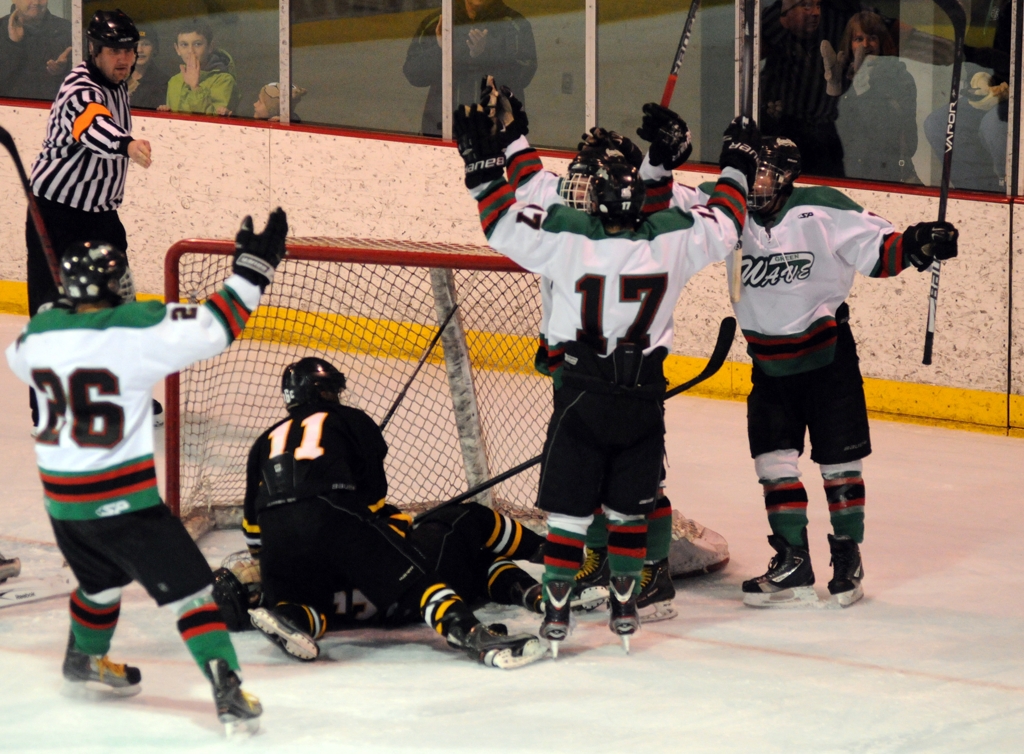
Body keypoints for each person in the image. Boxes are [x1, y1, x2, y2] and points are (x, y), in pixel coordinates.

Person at [454, 84, 759, 654]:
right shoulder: (668, 238)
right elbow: (722, 218)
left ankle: (639, 578)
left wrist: (481, 167)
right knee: (626, 493)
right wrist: (735, 164)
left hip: (584, 377)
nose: (572, 182)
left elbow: (503, 217)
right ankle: (622, 578)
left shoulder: (570, 235)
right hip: (638, 380)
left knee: (578, 500)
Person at [4, 208, 289, 733]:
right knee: (191, 595)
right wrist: (253, 269)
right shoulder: (134, 329)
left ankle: (83, 658)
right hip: (125, 508)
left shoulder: (37, 338)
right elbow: (216, 325)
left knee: (100, 582)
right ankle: (225, 685)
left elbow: (19, 353)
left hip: (65, 510)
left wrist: (57, 310)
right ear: (111, 285)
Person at [644, 134, 959, 607]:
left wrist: (920, 242)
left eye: (764, 174)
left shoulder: (824, 208)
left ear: (788, 177)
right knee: (773, 465)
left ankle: (847, 555)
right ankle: (793, 559)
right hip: (768, 366)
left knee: (839, 464)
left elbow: (883, 251)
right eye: (749, 174)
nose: (754, 184)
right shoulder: (728, 206)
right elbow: (663, 202)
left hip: (828, 360)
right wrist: (654, 162)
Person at [488, 84, 707, 622]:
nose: (577, 187)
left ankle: (650, 573)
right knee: (590, 466)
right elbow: (532, 178)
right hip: (574, 357)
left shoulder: (645, 209)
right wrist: (514, 133)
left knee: (636, 470)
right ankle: (601, 559)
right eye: (578, 174)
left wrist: (661, 165)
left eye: (590, 176)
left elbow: (684, 205)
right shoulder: (567, 199)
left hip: (628, 359)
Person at [235, 357, 546, 669]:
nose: (334, 396)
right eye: (328, 390)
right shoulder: (350, 419)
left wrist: (268, 567)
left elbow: (252, 525)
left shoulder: (263, 441)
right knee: (418, 579)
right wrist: (384, 527)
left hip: (276, 536)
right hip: (332, 515)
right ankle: (473, 635)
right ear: (319, 393)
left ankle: (290, 618)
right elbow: (372, 496)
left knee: (302, 599)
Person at [25, 9, 151, 318]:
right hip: (56, 215)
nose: (123, 58)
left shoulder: (117, 82)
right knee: (54, 310)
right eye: (114, 51)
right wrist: (127, 144)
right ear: (94, 51)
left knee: (120, 301)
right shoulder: (79, 89)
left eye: (128, 50)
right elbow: (92, 126)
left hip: (100, 216)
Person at [403, 0, 536, 137]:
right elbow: (413, 74)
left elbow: (524, 74)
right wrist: (440, 49)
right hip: (443, 133)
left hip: (496, 137)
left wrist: (487, 53)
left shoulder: (514, 24)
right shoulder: (438, 22)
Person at [759, 0, 858, 178]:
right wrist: (786, 19)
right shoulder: (787, 9)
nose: (814, 12)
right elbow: (749, 46)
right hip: (780, 126)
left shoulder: (848, 12)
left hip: (822, 132)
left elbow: (882, 30)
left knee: (830, 193)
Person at [822, 11, 919, 184]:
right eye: (858, 39)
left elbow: (894, 137)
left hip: (885, 175)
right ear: (849, 44)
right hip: (844, 172)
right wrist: (834, 88)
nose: (865, 45)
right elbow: (833, 131)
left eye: (872, 37)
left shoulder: (899, 77)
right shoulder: (843, 75)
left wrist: (864, 89)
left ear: (881, 41)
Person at [162, 18, 237, 116]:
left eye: (197, 44)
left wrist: (195, 87)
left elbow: (216, 123)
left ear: (210, 47)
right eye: (184, 45)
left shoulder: (224, 81)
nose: (190, 51)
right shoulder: (174, 81)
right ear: (177, 49)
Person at [0, 0, 71, 101]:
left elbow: (82, 83)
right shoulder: (1, 28)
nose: (36, 2)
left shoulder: (67, 29)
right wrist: (13, 44)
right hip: (8, 111)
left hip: (55, 110)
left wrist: (64, 71)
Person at [126, 28, 171, 110]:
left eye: (146, 44)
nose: (139, 50)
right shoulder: (115, 78)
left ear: (155, 49)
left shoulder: (164, 83)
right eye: (135, 44)